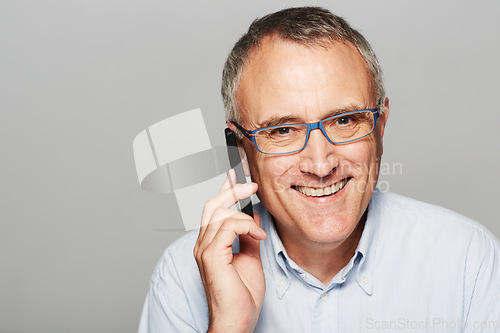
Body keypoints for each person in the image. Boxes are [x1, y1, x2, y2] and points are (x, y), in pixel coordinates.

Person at [138, 7, 499, 332]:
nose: (321, 164)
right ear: (241, 148)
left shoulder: (468, 261)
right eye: (281, 130)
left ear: (381, 127)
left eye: (344, 120)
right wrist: (230, 325)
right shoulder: (183, 276)